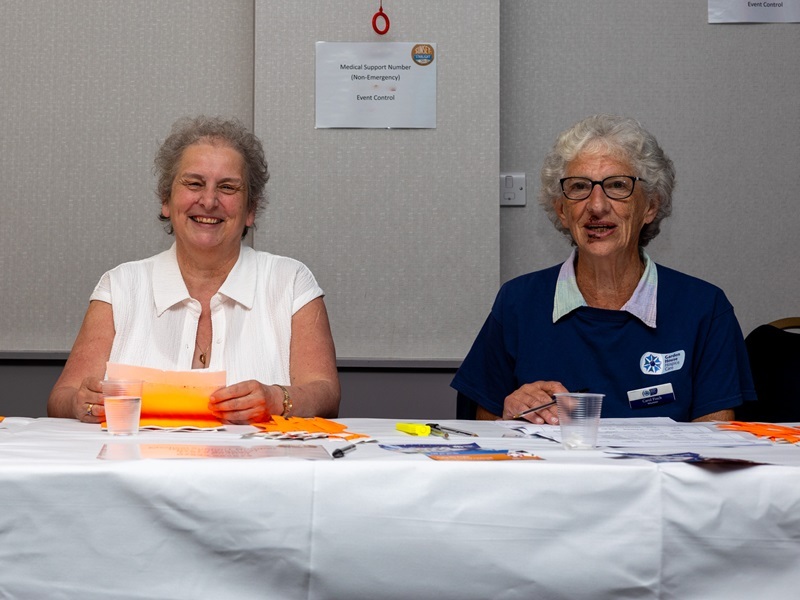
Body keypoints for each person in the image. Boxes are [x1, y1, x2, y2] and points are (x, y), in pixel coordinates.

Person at [451, 114, 755, 424]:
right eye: (580, 187)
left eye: (618, 186)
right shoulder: (517, 302)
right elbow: (482, 430)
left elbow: (719, 442)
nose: (597, 206)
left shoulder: (704, 308)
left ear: (650, 206)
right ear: (562, 210)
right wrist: (510, 412)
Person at [48, 115, 340, 424]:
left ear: (250, 210)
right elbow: (62, 397)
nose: (209, 200)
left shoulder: (291, 281)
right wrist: (82, 401)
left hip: (257, 469)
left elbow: (325, 393)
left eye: (228, 188)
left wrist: (277, 399)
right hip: (138, 469)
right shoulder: (120, 285)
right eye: (194, 183)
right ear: (166, 199)